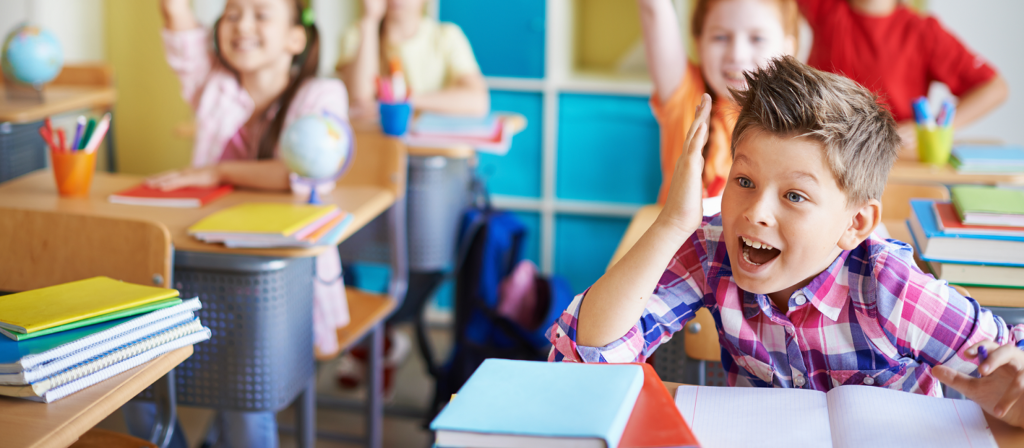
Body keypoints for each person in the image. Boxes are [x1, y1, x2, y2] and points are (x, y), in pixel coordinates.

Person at [549, 56, 1024, 427]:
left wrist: (1014, 400)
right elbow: (585, 356)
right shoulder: (711, 250)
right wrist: (674, 223)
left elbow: (1011, 367)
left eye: (794, 195)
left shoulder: (891, 287)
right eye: (744, 181)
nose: (756, 212)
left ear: (855, 223)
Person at [129, 1, 351, 446]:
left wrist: (218, 171)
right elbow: (176, 18)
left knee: (244, 405)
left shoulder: (321, 95)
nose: (242, 25)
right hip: (202, 275)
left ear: (296, 37)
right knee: (135, 384)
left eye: (260, 14)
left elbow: (306, 173)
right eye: (231, 13)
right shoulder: (214, 87)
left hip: (279, 288)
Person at [797, 0, 1009, 157]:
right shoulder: (825, 9)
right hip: (823, 152)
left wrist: (931, 128)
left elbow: (994, 88)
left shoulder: (923, 32)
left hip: (888, 160)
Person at [639, 0, 799, 201]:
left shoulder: (799, 121)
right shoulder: (686, 96)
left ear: (788, 48)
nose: (737, 55)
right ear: (699, 43)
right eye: (721, 37)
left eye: (757, 38)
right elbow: (653, 9)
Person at [335, 0, 489, 118]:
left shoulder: (447, 36)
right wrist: (370, 19)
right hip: (381, 149)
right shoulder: (358, 35)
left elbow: (478, 100)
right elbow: (360, 100)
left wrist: (405, 101)